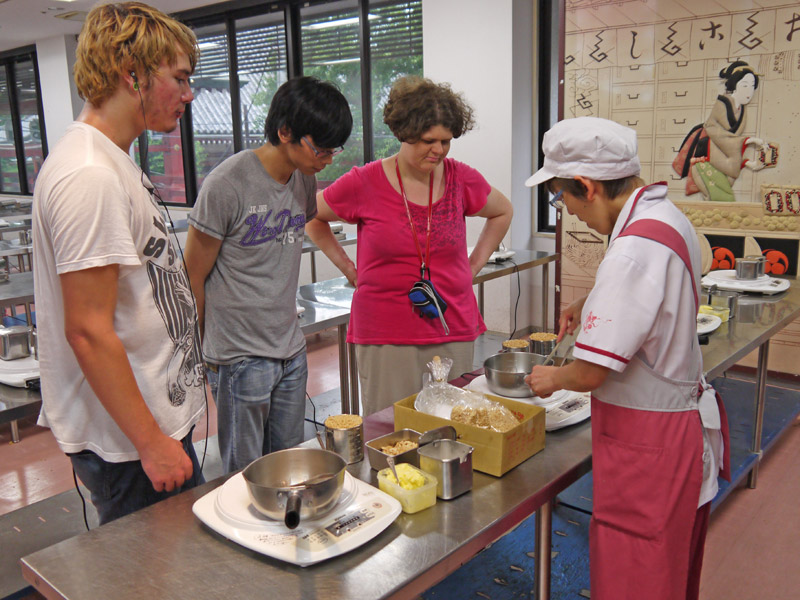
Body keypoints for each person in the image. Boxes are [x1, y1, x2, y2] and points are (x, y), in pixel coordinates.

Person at [524, 117, 730, 600]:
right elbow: (648, 298)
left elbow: (591, 371)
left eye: (563, 198)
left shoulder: (631, 251)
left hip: (648, 444)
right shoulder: (662, 216)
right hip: (673, 429)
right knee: (667, 562)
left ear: (589, 187)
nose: (568, 212)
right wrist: (592, 301)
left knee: (637, 566)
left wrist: (552, 377)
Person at [31, 2, 205, 525]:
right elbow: (86, 329)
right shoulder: (90, 174)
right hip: (130, 443)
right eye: (179, 78)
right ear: (133, 75)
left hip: (150, 423)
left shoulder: (112, 159)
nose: (188, 94)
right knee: (156, 579)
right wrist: (150, 442)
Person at [305, 75, 513, 416]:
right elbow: (313, 215)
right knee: (392, 430)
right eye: (429, 141)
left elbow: (503, 211)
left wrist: (471, 267)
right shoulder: (364, 182)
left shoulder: (461, 178)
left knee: (451, 426)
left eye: (446, 141)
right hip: (384, 330)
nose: (439, 151)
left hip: (451, 324)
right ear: (404, 133)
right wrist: (348, 268)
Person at [184, 77, 352, 473]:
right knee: (246, 473)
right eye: (320, 148)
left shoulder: (303, 178)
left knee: (287, 466)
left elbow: (307, 227)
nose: (327, 159)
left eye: (334, 149)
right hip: (240, 355)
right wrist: (203, 358)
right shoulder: (227, 184)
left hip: (290, 349)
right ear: (284, 132)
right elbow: (193, 278)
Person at [673, 60, 768, 202]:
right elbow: (719, 136)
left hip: (720, 160)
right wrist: (748, 141)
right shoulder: (722, 104)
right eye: (745, 85)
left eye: (752, 86)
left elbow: (729, 145)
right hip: (706, 158)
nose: (749, 91)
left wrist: (747, 163)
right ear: (734, 86)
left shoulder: (741, 109)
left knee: (720, 199)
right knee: (722, 198)